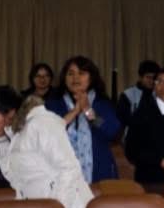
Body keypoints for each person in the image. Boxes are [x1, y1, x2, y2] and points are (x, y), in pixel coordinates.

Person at [0, 85, 95, 208]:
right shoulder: (17, 134)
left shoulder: (42, 123)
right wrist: (1, 140)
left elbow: (69, 169)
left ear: (10, 112)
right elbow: (14, 179)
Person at [45, 55, 121, 184]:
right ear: (64, 78)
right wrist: (74, 112)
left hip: (99, 173)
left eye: (81, 73)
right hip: (60, 175)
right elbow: (48, 135)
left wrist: (87, 110)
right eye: (70, 73)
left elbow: (112, 132)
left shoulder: (102, 103)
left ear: (91, 78)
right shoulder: (53, 104)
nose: (75, 78)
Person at [116, 59, 160, 129]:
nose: (151, 81)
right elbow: (122, 119)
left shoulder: (161, 94)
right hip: (133, 133)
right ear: (140, 77)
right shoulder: (127, 95)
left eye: (154, 78)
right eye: (148, 77)